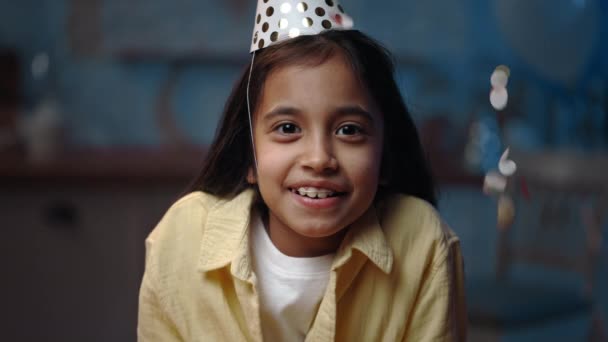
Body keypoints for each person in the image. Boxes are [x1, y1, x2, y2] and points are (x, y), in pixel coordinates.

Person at [138, 1, 467, 341]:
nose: (319, 159)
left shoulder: (420, 242)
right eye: (287, 128)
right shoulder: (183, 237)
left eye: (349, 130)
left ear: (385, 155)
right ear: (249, 156)